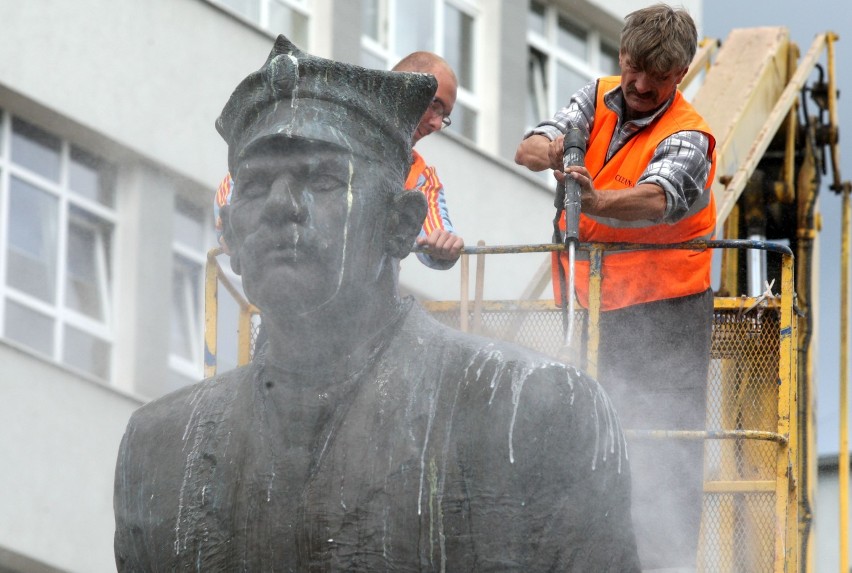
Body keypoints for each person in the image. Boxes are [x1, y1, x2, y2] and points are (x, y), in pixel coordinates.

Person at [113, 35, 640, 571]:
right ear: (231, 236)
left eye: (321, 180)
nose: (280, 206)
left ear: (400, 224)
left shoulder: (538, 410)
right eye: (255, 186)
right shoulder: (156, 451)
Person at [514, 4, 716, 572]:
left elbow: (659, 197)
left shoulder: (689, 136)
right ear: (622, 58)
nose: (640, 84)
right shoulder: (595, 97)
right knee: (582, 439)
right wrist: (553, 150)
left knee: (661, 446)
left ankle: (663, 560)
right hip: (588, 307)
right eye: (633, 68)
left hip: (664, 318)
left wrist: (596, 198)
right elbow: (528, 146)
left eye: (657, 75)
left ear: (680, 75)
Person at [213, 52, 464, 270]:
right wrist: (230, 225)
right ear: (403, 88)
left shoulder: (419, 175)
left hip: (365, 309)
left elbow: (435, 234)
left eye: (445, 116)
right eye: (435, 105)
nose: (436, 123)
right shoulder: (323, 130)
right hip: (292, 287)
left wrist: (443, 247)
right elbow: (240, 180)